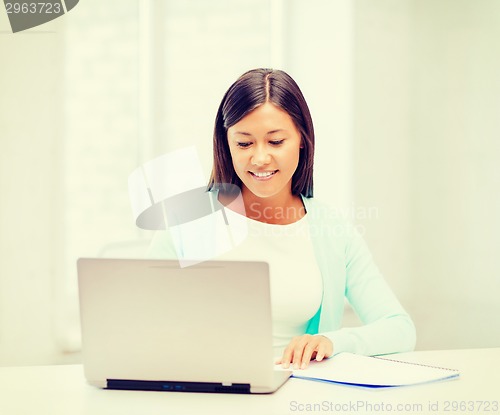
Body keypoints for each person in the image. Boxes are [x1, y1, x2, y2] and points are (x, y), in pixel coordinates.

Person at [149, 68, 416, 370]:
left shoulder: (332, 230)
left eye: (275, 142)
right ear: (226, 144)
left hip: (296, 393)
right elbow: (145, 324)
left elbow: (399, 328)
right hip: (205, 391)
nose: (260, 158)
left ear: (302, 139)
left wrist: (332, 342)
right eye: (244, 143)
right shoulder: (187, 219)